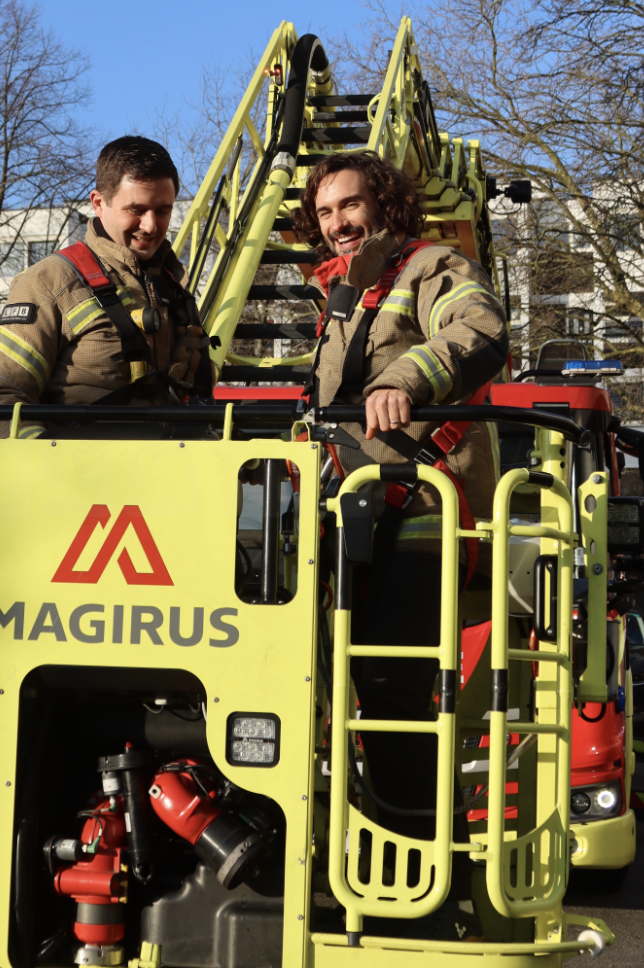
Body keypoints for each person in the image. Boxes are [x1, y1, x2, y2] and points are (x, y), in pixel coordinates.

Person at [292, 151, 509, 940]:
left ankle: (421, 882)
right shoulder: (343, 296)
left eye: (350, 206)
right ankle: (338, 865)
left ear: (384, 202)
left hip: (419, 510)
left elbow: (480, 329)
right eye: (325, 214)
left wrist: (409, 382)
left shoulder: (434, 267)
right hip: (348, 513)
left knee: (392, 691)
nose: (338, 223)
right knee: (310, 688)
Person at [0, 136, 211, 438]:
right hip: (78, 480)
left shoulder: (175, 289)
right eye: (136, 210)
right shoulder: (49, 283)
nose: (150, 225)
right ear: (98, 203)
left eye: (162, 210)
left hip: (170, 478)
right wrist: (52, 466)